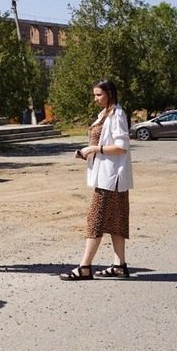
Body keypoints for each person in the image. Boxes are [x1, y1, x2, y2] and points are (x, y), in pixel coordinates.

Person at [60, 79, 133, 281]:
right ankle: (120, 265)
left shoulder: (117, 114)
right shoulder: (104, 114)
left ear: (110, 93)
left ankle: (85, 267)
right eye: (94, 94)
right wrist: (87, 152)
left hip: (111, 178)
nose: (95, 99)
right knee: (117, 220)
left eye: (99, 94)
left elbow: (121, 146)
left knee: (95, 220)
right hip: (108, 176)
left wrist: (95, 149)